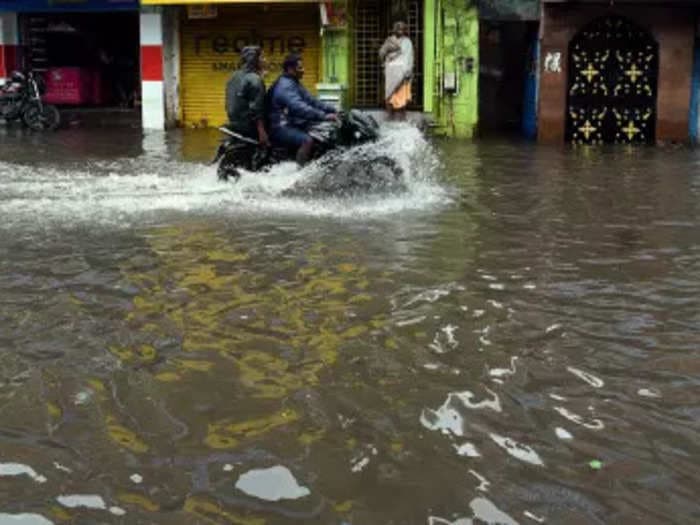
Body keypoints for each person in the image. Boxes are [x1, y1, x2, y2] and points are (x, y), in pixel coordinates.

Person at [267, 53, 338, 165]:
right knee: (307, 140)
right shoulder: (285, 86)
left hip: (291, 123)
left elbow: (312, 101)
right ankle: (301, 174)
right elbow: (298, 107)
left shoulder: (294, 83)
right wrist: (323, 116)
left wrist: (334, 109)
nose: (303, 70)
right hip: (280, 126)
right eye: (300, 67)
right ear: (290, 69)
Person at [225, 45, 269, 148]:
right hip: (249, 126)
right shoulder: (255, 79)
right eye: (262, 57)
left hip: (235, 123)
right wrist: (262, 132)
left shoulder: (234, 76)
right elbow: (257, 109)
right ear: (254, 60)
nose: (265, 60)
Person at [379, 21, 414, 120]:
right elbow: (381, 54)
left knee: (402, 97)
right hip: (391, 73)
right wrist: (388, 57)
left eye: (402, 29)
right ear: (394, 30)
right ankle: (390, 118)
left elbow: (409, 57)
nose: (400, 31)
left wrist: (408, 71)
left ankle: (402, 119)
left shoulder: (407, 42)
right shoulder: (389, 40)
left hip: (403, 73)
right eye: (398, 29)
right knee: (390, 96)